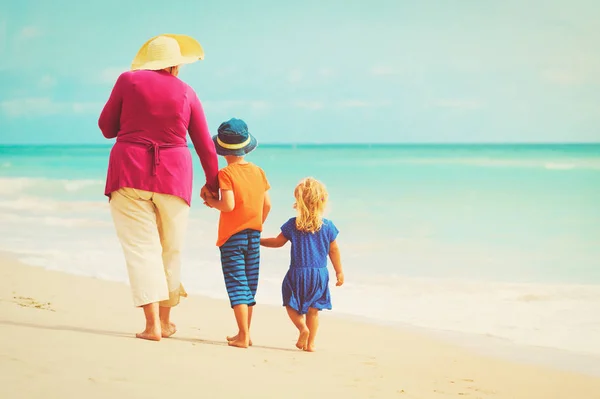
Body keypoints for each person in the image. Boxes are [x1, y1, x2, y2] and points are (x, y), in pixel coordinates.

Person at [98, 34, 219, 341]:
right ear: (176, 64)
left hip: (128, 172)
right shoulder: (187, 92)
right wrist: (213, 183)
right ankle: (165, 322)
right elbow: (205, 144)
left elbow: (106, 128)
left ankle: (152, 325)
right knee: (171, 250)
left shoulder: (128, 81)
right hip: (175, 177)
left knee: (142, 250)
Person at [204, 118, 271, 348]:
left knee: (237, 284)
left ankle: (242, 336)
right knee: (249, 283)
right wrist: (256, 222)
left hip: (233, 236)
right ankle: (245, 333)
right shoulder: (258, 172)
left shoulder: (226, 174)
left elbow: (228, 205)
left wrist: (212, 201)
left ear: (222, 149)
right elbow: (268, 204)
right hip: (254, 234)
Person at [260, 178, 344, 352]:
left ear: (298, 201)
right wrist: (339, 272)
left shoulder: (293, 224)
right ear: (322, 202)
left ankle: (302, 329)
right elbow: (334, 250)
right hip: (319, 275)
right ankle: (310, 344)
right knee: (314, 311)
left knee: (290, 303)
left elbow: (277, 242)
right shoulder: (328, 226)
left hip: (297, 273)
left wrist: (257, 240)